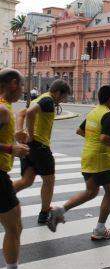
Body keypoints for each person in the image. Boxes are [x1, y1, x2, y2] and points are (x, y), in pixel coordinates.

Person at [47, 85, 110, 240]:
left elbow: (80, 131)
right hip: (102, 159)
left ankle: (59, 211)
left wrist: (93, 141)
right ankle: (100, 229)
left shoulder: (93, 112)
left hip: (88, 156)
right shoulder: (109, 115)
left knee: (90, 192)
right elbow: (104, 138)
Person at [12, 80, 71, 224]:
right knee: (49, 181)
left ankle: (3, 197)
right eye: (64, 97)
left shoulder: (40, 97)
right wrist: (31, 136)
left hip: (29, 146)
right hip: (39, 146)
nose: (64, 100)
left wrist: (20, 131)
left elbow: (22, 113)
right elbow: (30, 113)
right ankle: (44, 214)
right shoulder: (48, 101)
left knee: (27, 180)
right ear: (57, 93)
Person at [0, 69, 30, 269]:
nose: (23, 90)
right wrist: (12, 148)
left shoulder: (6, 108)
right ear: (12, 84)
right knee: (14, 227)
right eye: (21, 85)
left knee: (15, 225)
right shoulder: (2, 109)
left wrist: (15, 138)